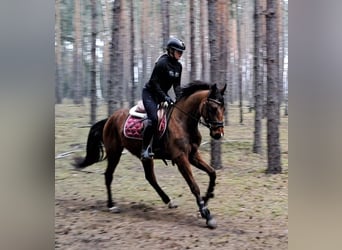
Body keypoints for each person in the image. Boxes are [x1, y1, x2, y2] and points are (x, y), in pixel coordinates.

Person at [141, 37, 186, 161]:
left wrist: (180, 98)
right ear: (171, 51)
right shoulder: (162, 63)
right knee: (154, 119)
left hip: (162, 95)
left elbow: (177, 85)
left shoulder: (179, 66)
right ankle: (145, 149)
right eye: (178, 51)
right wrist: (165, 97)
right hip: (150, 94)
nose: (180, 54)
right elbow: (154, 84)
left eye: (181, 52)